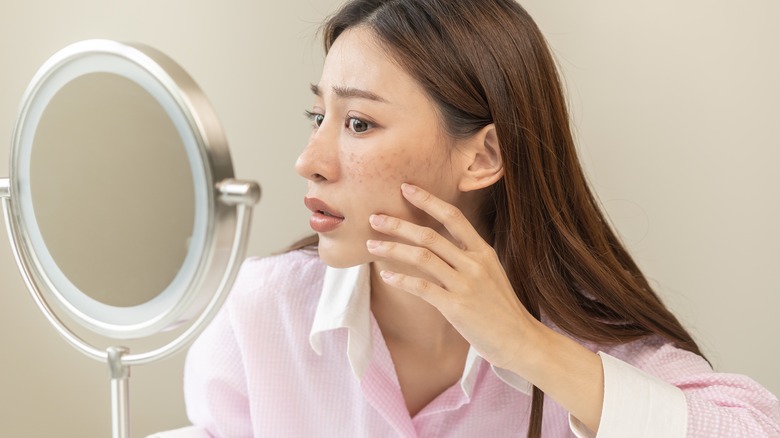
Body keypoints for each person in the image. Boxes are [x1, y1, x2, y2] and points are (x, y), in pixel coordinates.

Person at [182, 0, 780, 436]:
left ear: (482, 156)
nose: (309, 161)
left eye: (358, 123)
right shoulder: (263, 311)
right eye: (319, 118)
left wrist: (525, 345)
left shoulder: (585, 344)